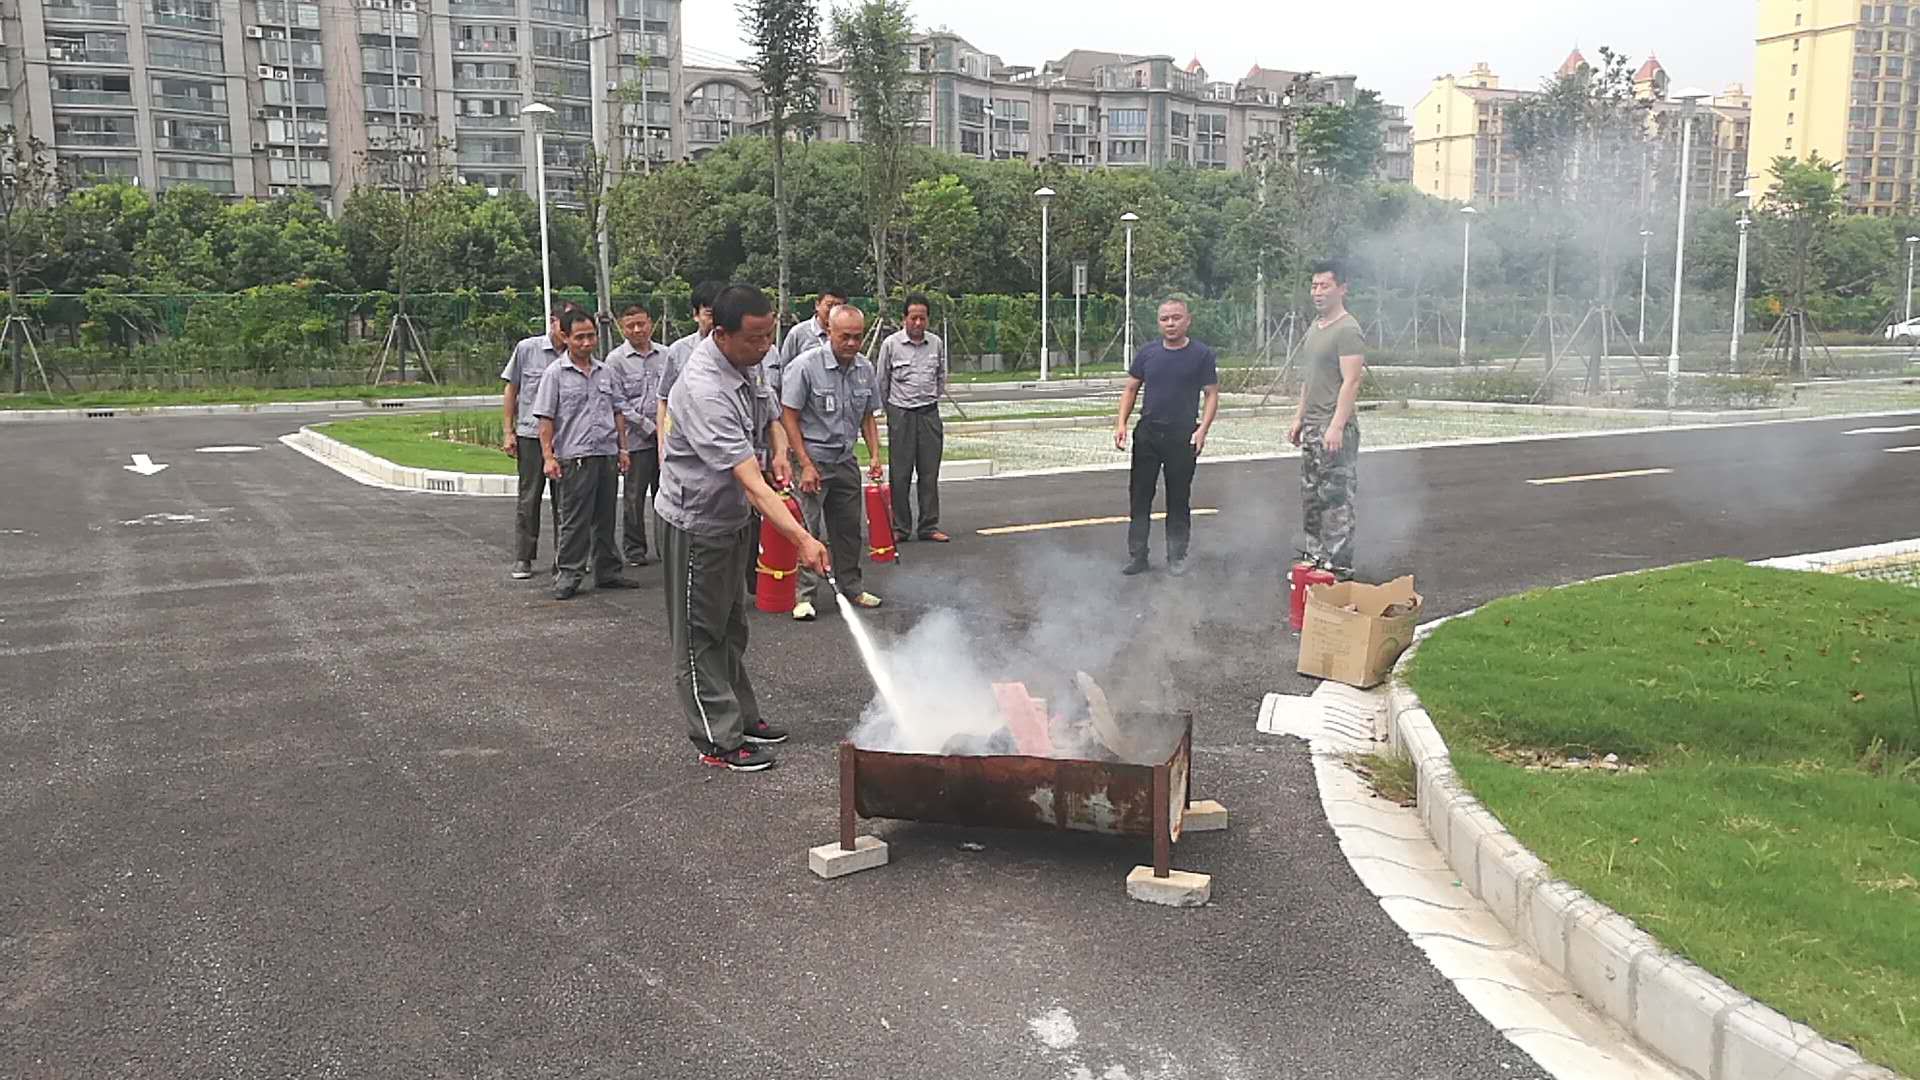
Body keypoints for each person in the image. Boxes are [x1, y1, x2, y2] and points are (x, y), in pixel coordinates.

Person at [658, 285, 826, 772]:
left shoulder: (744, 365)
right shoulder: (703, 388)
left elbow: (771, 413)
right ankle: (718, 739)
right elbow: (751, 484)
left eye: (769, 334)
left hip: (730, 519)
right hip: (697, 524)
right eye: (755, 337)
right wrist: (803, 540)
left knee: (731, 625)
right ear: (720, 333)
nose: (766, 346)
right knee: (698, 633)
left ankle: (741, 716)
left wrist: (779, 451)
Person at [779, 303, 885, 622]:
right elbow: (789, 416)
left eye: (858, 337)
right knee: (808, 530)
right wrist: (805, 464)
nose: (852, 343)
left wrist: (876, 456)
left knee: (848, 529)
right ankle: (804, 596)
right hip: (812, 461)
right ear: (829, 333)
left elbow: (868, 415)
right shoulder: (805, 366)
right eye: (845, 337)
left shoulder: (864, 368)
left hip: (844, 460)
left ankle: (852, 587)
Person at [1113, 296, 1220, 578]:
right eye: (1164, 319)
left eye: (1176, 318)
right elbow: (1131, 389)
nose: (1170, 323)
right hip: (1148, 433)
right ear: (1158, 322)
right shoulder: (1147, 353)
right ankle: (1138, 555)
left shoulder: (1201, 354)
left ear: (1187, 320)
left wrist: (1202, 430)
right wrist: (1121, 423)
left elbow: (1211, 394)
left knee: (1178, 498)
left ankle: (1177, 555)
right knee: (1140, 496)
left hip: (1182, 435)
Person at [532, 310, 635, 600]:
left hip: (605, 454)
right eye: (580, 337)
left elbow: (618, 412)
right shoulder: (555, 374)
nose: (587, 342)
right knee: (575, 520)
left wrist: (622, 448)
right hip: (575, 457)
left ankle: (608, 572)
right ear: (565, 337)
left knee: (606, 517)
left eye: (591, 336)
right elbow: (546, 419)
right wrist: (548, 456)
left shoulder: (605, 372)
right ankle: (568, 574)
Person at [1289, 258, 1367, 578]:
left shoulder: (1348, 329)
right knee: (1311, 496)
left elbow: (1352, 380)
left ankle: (1339, 565)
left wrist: (1335, 425)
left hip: (1335, 427)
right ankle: (1316, 557)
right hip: (1312, 424)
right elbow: (1310, 378)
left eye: (1325, 286)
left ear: (1342, 289)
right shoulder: (1315, 328)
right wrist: (1299, 417)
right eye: (1314, 286)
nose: (1317, 292)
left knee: (1336, 499)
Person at [500, 300, 583, 580]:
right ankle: (524, 557)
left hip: (566, 439)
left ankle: (566, 558)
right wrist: (508, 431)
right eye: (564, 326)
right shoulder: (527, 349)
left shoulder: (577, 354)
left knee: (566, 501)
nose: (568, 332)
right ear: (552, 321)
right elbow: (512, 391)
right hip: (530, 435)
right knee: (529, 497)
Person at [876, 293, 950, 543]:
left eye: (922, 318)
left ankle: (929, 526)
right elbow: (882, 382)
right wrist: (892, 413)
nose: (918, 323)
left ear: (928, 319)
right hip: (901, 415)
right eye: (913, 318)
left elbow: (941, 378)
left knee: (929, 473)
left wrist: (930, 400)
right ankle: (900, 528)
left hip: (929, 413)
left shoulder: (936, 344)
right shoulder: (891, 345)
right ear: (904, 319)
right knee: (900, 474)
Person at [607, 303, 666, 567]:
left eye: (641, 323)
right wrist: (650, 427)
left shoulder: (667, 355)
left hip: (667, 440)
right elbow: (619, 403)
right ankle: (634, 550)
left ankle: (666, 547)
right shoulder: (615, 360)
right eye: (630, 325)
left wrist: (665, 429)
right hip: (636, 440)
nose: (637, 329)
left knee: (666, 496)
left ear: (650, 323)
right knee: (634, 498)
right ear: (622, 328)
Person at [655, 280, 723, 452]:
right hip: (686, 446)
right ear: (695, 314)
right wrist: (662, 445)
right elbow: (663, 400)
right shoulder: (679, 350)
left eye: (720, 314)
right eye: (708, 314)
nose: (714, 321)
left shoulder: (738, 352)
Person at [775, 285, 848, 393]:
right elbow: (784, 370)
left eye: (837, 306)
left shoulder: (847, 335)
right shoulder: (798, 333)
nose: (833, 311)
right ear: (817, 305)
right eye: (829, 305)